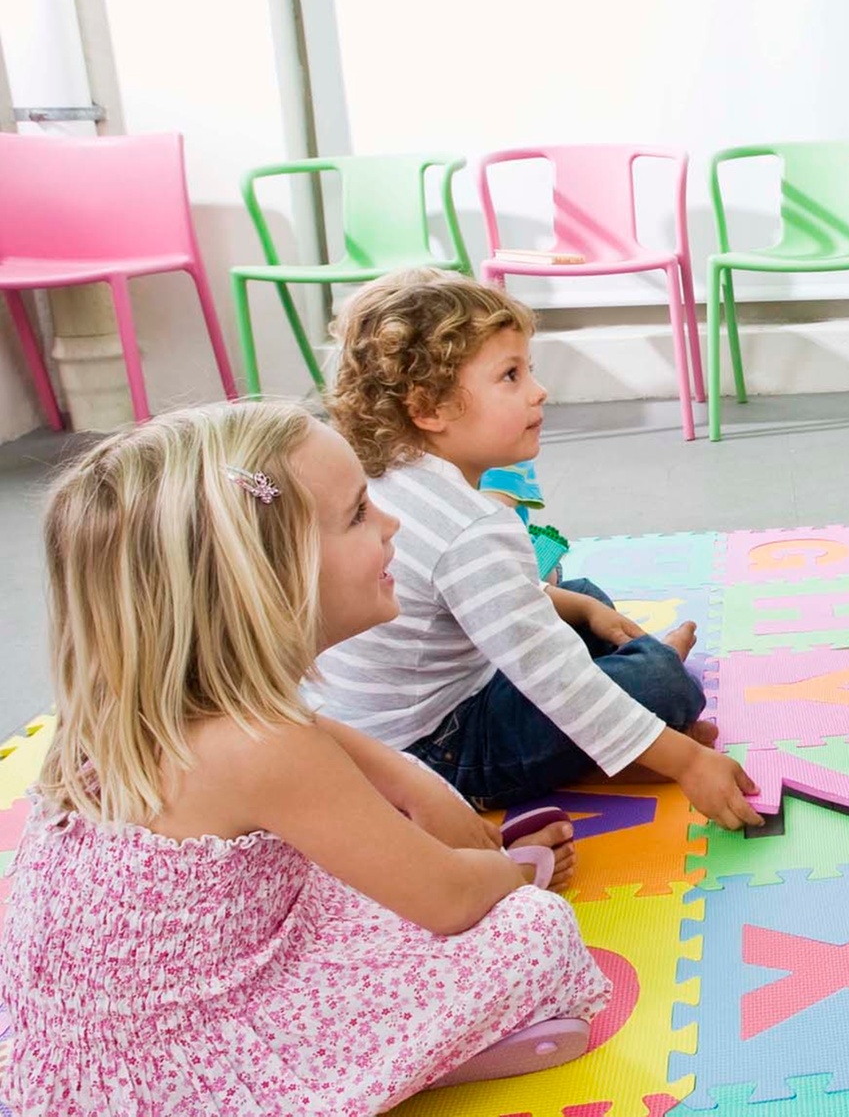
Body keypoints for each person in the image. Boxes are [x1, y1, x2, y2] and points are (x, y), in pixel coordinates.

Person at [0, 402, 607, 1111]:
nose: (391, 524)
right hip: (174, 1072)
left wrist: (418, 792)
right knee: (534, 929)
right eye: (358, 515)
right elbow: (447, 898)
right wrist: (508, 873)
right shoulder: (264, 749)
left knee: (352, 872)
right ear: (266, 582)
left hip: (64, 1043)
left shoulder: (123, 704)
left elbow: (342, 752)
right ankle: (381, 1066)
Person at [309, 269, 761, 829]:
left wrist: (580, 608)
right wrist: (687, 761)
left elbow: (483, 604)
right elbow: (554, 679)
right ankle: (630, 738)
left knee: (583, 597)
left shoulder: (388, 480)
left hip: (387, 724)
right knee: (664, 684)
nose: (538, 390)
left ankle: (625, 723)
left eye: (529, 369)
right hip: (436, 752)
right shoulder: (471, 528)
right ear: (429, 407)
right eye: (510, 375)